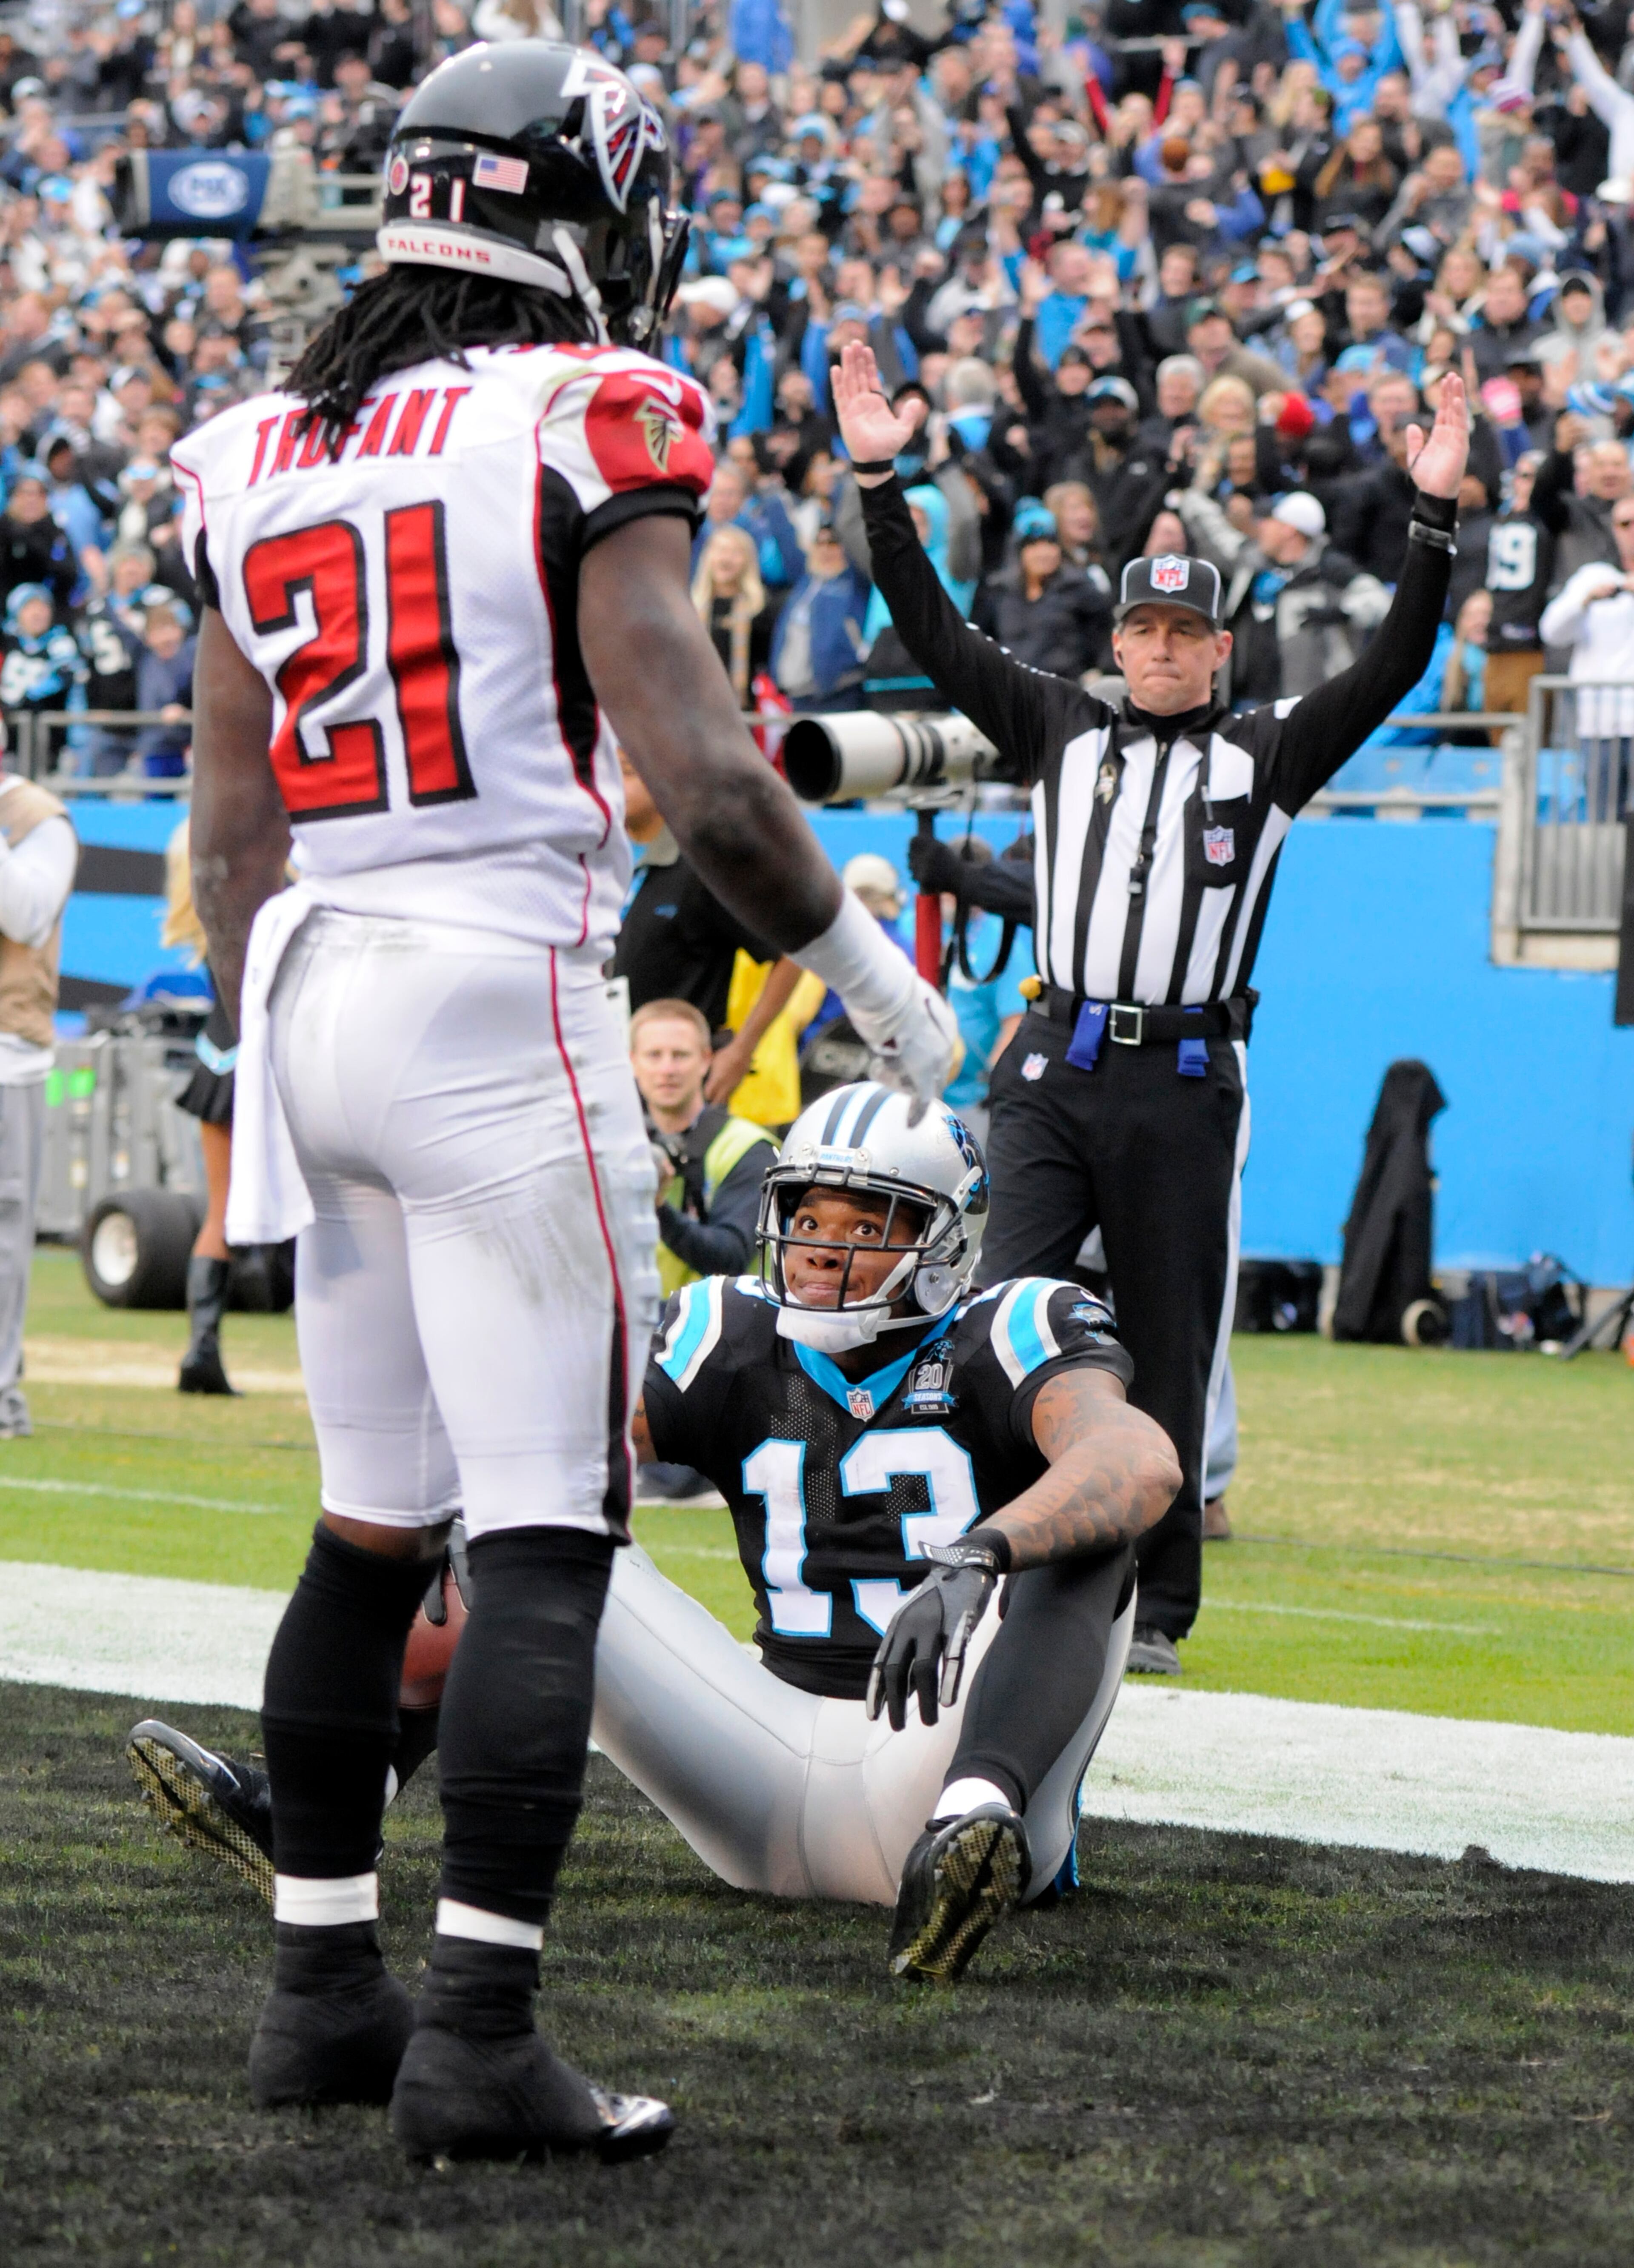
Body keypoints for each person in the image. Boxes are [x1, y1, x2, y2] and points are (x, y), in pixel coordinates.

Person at [170, 44, 956, 2169]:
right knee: (542, 1529)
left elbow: (225, 844)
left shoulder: (246, 443)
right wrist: (872, 980)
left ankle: (323, 1986)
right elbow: (701, 776)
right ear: (569, 218)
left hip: (313, 979)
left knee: (361, 1517)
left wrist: (270, 1086)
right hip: (494, 988)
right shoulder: (583, 409)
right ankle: (479, 2030)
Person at [129, 1088, 1181, 1982]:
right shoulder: (728, 1328)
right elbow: (571, 1438)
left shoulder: (1012, 1322)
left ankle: (971, 1828)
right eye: (806, 1216)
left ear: (944, 1241)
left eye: (866, 1227)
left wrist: (980, 1555)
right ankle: (321, 1820)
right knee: (527, 1515)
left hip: (938, 1763)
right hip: (766, 1766)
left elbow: (1136, 1462)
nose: (821, 1251)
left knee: (1095, 1531)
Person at [831, 336, 1471, 1677]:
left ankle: (1157, 1605)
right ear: (1118, 642)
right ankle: (984, 1556)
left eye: (1187, 633)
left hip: (1183, 1081)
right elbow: (932, 628)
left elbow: (1398, 660)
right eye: (1145, 630)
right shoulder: (1059, 724)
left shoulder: (1268, 750)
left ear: (1220, 648)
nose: (1164, 650)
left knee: (1169, 1341)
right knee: (1005, 1321)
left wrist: (1431, 516)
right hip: (1053, 1067)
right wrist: (878, 478)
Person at [0, 751, 74, 1437]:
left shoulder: (41, 821)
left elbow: (25, 916)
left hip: (7, 1049)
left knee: (3, 1242)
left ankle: (1, 1396)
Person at [1174, 487, 1390, 708]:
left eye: (1271, 522)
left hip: (1306, 704)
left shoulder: (1331, 570)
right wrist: (1192, 493)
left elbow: (1381, 602)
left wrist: (1343, 611)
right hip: (1246, 699)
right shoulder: (1252, 562)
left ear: (1290, 530)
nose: (1262, 527)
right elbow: (1216, 535)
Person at [162, 817, 240, 1396]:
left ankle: (201, 1350)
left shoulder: (206, 904)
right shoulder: (257, 892)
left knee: (223, 1213)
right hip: (264, 1059)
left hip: (218, 1055)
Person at [1538, 496, 1634, 824]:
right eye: (1625, 524)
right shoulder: (1593, 577)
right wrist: (1587, 599)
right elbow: (1552, 631)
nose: (1633, 531)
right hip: (1600, 724)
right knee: (1602, 821)